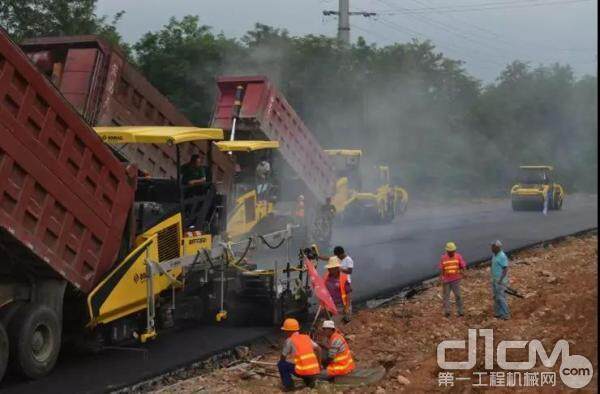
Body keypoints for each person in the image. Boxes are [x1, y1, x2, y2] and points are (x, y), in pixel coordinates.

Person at [277, 318, 320, 391]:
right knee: (301, 365)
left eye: (285, 331)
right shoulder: (306, 337)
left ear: (289, 331)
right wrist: (319, 364)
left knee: (281, 364)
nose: (284, 332)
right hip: (314, 371)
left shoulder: (289, 340)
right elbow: (319, 349)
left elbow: (283, 358)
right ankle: (309, 381)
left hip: (303, 371)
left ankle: (289, 386)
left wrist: (284, 362)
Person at [439, 242, 467, 317]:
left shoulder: (458, 256)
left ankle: (460, 311)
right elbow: (442, 269)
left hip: (456, 280)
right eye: (450, 251)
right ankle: (447, 312)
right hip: (446, 280)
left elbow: (463, 265)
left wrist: (464, 271)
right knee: (446, 296)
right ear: (447, 251)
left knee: (458, 296)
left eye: (453, 251)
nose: (452, 252)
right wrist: (441, 277)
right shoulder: (443, 258)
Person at [323, 256, 352, 325]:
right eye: (329, 268)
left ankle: (345, 320)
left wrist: (347, 307)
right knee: (328, 323)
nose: (329, 269)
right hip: (330, 305)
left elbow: (349, 293)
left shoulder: (343, 278)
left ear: (337, 268)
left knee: (333, 324)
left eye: (331, 268)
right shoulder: (326, 277)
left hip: (341, 305)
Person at [491, 240, 510, 320]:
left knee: (501, 298)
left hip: (500, 281)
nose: (491, 248)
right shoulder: (495, 255)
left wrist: (500, 280)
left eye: (493, 246)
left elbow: (505, 269)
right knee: (496, 297)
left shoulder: (502, 256)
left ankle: (505, 314)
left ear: (497, 247)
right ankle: (498, 313)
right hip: (495, 280)